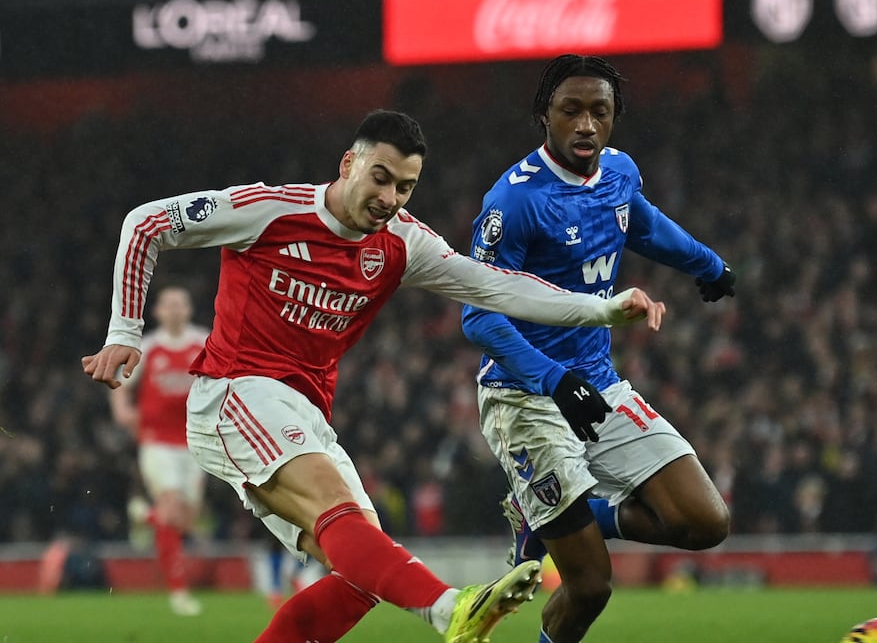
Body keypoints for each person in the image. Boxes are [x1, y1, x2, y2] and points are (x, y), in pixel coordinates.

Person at [82, 109, 666, 643]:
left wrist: (602, 309)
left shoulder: (403, 242)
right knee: (349, 525)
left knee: (364, 572)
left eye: (404, 187)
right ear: (349, 164)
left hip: (306, 411)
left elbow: (496, 285)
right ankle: (450, 609)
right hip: (235, 391)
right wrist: (124, 332)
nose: (390, 198)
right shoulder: (269, 210)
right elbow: (145, 224)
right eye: (380, 178)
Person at [461, 54, 734, 643]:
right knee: (590, 587)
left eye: (599, 111)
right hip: (524, 396)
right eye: (571, 110)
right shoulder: (513, 202)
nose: (586, 124)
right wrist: (555, 380)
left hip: (598, 383)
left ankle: (557, 517)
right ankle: (552, 520)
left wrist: (708, 265)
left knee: (705, 521)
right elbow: (479, 319)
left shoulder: (619, 172)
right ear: (545, 114)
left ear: (614, 117)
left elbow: (642, 224)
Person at [108, 284, 209, 615]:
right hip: (157, 441)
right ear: (158, 312)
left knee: (187, 520)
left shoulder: (204, 343)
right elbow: (120, 381)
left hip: (195, 442)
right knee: (172, 506)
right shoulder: (149, 347)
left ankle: (144, 515)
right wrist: (122, 409)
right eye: (169, 304)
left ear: (189, 309)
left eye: (180, 304)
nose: (175, 309)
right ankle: (179, 593)